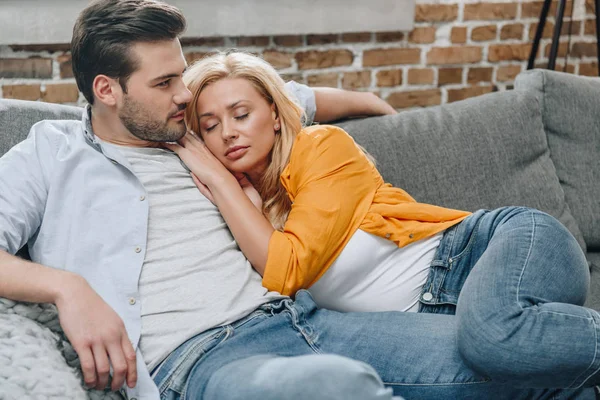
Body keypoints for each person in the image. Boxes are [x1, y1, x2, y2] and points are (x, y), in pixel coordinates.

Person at [0, 1, 596, 400]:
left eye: (181, 75)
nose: (184, 95)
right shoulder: (51, 155)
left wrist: (367, 101)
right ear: (106, 90)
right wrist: (66, 288)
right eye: (164, 84)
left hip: (308, 320)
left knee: (541, 365)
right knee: (333, 386)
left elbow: (278, 100)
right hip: (202, 360)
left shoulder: (196, 130)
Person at [170, 50, 600, 393]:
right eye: (209, 126)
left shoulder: (321, 148)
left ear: (276, 116)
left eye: (240, 115)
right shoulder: (240, 209)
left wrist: (222, 184)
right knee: (510, 371)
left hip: (499, 246)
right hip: (439, 318)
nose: (227, 132)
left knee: (491, 336)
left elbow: (288, 268)